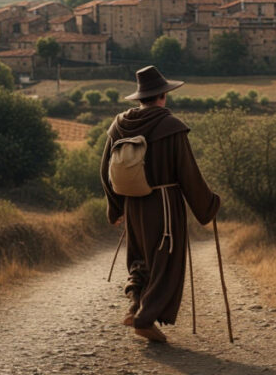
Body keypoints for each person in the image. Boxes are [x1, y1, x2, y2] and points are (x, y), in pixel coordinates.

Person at [100, 66, 220, 343]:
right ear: (163, 96)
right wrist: (209, 205)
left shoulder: (118, 125)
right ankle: (144, 320)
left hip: (132, 203)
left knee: (140, 258)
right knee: (165, 261)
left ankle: (134, 306)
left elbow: (105, 169)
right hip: (164, 205)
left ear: (140, 97)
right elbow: (187, 173)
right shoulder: (170, 127)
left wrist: (115, 207)